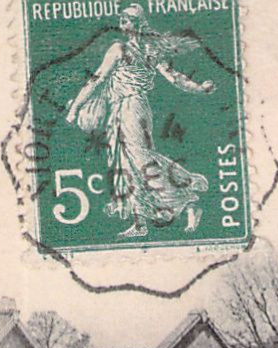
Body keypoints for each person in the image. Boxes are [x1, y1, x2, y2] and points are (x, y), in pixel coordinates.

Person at [64, 5, 214, 238]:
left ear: (137, 23)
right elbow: (175, 78)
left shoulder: (120, 49)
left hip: (130, 108)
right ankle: (141, 221)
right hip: (131, 108)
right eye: (121, 19)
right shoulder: (148, 49)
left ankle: (187, 196)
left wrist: (75, 108)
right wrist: (200, 88)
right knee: (127, 163)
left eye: (127, 20)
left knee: (139, 160)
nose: (123, 23)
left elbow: (96, 80)